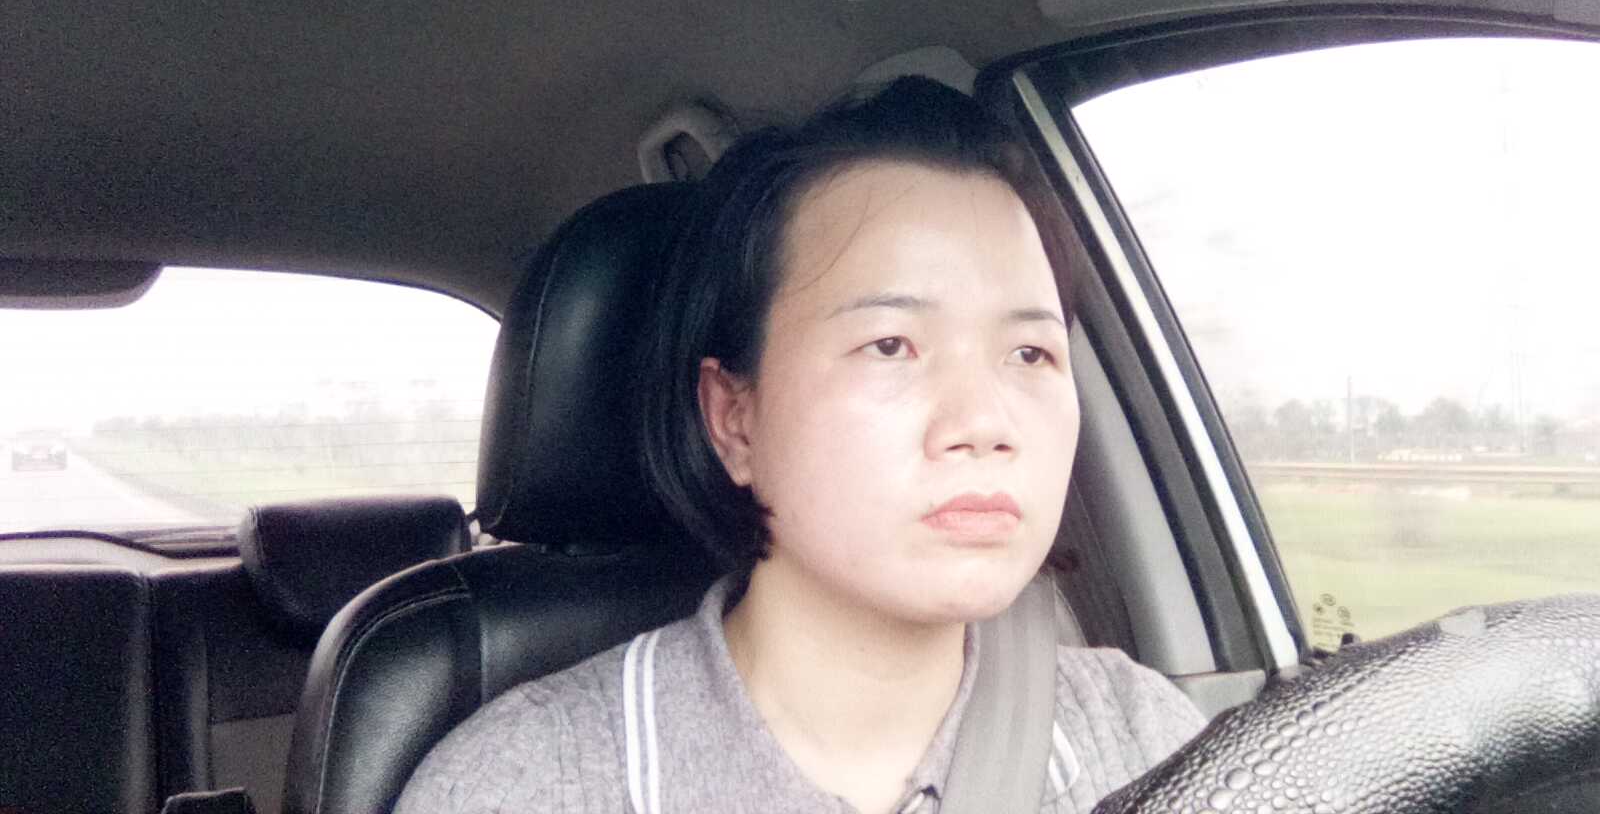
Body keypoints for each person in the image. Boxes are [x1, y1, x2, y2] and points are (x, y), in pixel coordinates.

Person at [395, 77, 1206, 814]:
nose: (985, 423)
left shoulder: (1142, 737)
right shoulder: (529, 784)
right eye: (890, 345)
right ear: (734, 418)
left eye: (1029, 353)